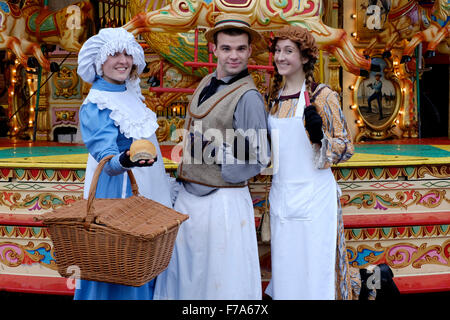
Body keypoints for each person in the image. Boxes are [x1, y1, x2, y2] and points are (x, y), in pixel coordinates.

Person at [153, 13, 270, 300]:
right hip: (191, 198)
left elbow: (260, 156)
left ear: (249, 51)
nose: (234, 56)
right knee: (190, 282)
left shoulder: (249, 97)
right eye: (227, 48)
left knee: (221, 284)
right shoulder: (207, 81)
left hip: (222, 202)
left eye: (241, 49)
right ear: (214, 49)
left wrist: (218, 152)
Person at [74, 27, 172, 300]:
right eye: (114, 54)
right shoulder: (96, 103)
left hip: (145, 190)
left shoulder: (130, 94)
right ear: (99, 62)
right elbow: (106, 158)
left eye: (127, 54)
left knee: (145, 258)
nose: (123, 60)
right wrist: (127, 159)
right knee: (121, 259)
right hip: (118, 192)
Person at [264, 25, 354, 300]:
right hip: (282, 197)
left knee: (316, 272)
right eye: (277, 51)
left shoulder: (322, 96)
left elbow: (346, 147)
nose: (280, 57)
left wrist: (319, 137)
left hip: (315, 200)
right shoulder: (273, 98)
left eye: (288, 51)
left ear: (304, 57)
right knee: (286, 271)